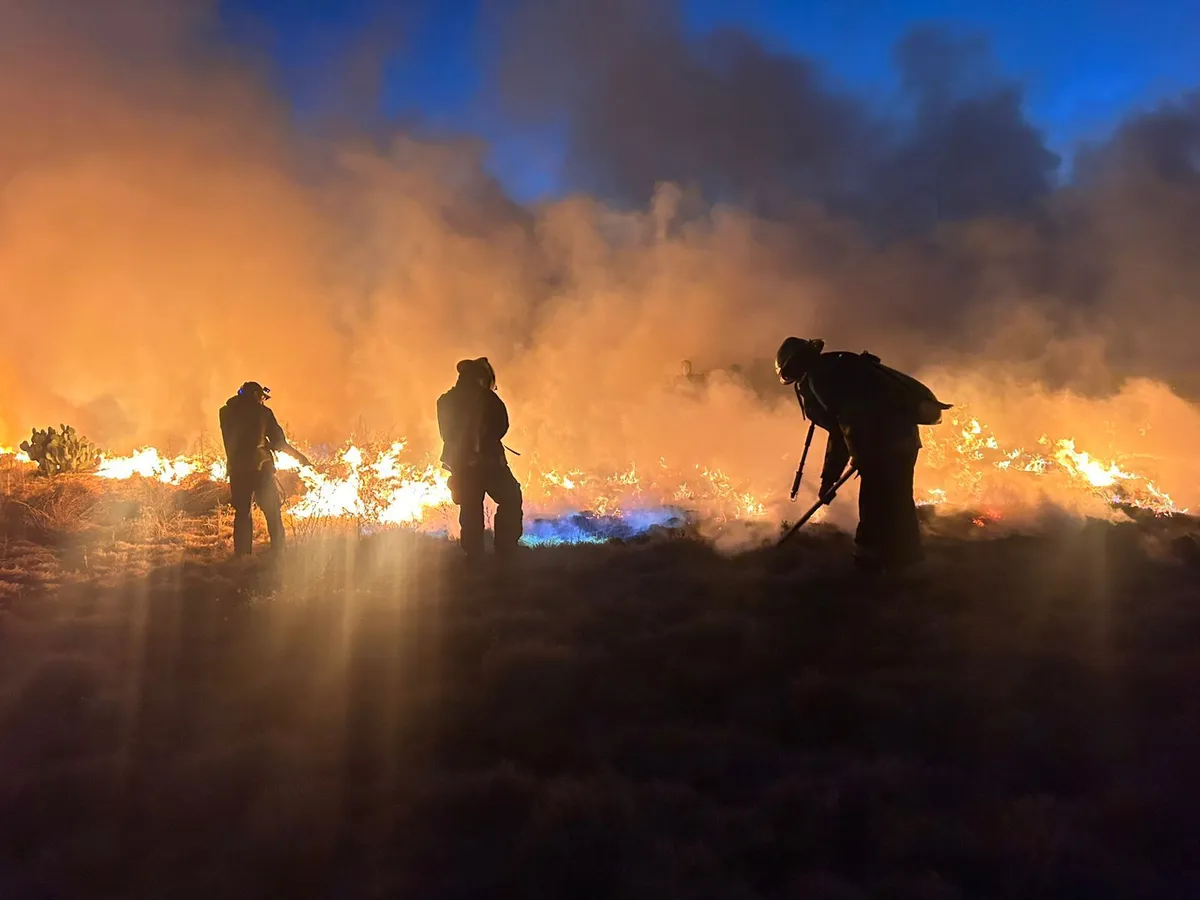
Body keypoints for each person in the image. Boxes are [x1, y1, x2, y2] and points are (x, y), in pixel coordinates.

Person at [775, 337, 950, 573]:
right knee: (899, 503)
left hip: (880, 445)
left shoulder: (822, 377)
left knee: (873, 506)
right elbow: (848, 423)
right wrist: (835, 474)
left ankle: (869, 565)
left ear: (794, 366)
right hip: (904, 441)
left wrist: (836, 473)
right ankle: (906, 562)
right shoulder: (840, 367)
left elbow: (845, 424)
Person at [437, 358, 524, 559]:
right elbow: (502, 425)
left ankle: (473, 555)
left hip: (461, 464)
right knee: (510, 497)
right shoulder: (487, 398)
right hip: (490, 462)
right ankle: (506, 549)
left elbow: (446, 434)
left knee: (470, 508)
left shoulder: (445, 400)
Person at [218, 381, 312, 557]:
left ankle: (243, 556)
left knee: (242, 512)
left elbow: (242, 438)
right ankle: (278, 551)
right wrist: (300, 457)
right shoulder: (263, 413)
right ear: (255, 395)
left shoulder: (225, 412)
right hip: (260, 470)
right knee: (272, 510)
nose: (263, 401)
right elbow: (279, 442)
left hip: (236, 470)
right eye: (262, 397)